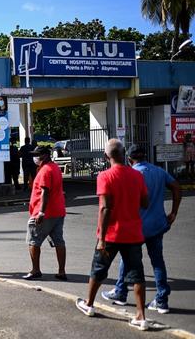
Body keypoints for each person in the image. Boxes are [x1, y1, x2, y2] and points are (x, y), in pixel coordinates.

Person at [75, 139, 150, 331]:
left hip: (111, 234)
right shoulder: (137, 176)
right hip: (133, 233)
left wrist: (101, 238)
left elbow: (105, 208)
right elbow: (145, 203)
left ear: (106, 156)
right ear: (124, 153)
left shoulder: (105, 176)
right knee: (137, 275)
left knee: (98, 269)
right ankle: (141, 316)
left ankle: (89, 304)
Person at [102, 144, 181, 314]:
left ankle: (120, 292)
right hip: (157, 225)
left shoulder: (132, 174)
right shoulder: (159, 172)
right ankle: (161, 300)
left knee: (126, 259)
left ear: (129, 159)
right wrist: (173, 212)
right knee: (158, 261)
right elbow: (176, 187)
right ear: (145, 156)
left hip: (135, 226)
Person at [23, 146, 67, 280]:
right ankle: (61, 271)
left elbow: (45, 192)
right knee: (59, 241)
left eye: (37, 155)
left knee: (33, 241)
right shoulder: (54, 168)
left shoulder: (45, 171)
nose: (35, 157)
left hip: (45, 213)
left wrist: (41, 212)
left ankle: (35, 270)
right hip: (58, 211)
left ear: (45, 155)